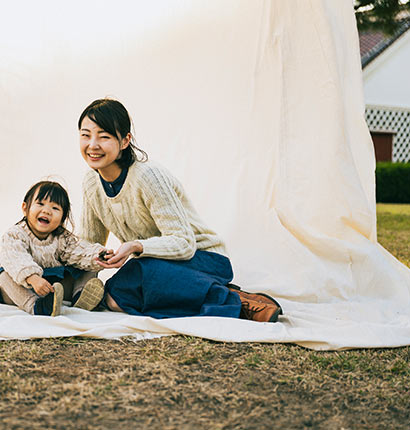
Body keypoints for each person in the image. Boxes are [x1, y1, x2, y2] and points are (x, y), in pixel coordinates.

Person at [77, 98, 283, 322]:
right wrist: (75, 287)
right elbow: (88, 245)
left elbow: (184, 244)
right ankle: (208, 293)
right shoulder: (91, 184)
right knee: (115, 297)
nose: (93, 145)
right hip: (156, 267)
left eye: (104, 136)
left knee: (138, 271)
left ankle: (236, 301)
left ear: (125, 141)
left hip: (203, 259)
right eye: (85, 135)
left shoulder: (148, 176)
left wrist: (136, 246)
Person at [0, 180, 112, 316]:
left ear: (62, 219)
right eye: (40, 204)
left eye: (55, 208)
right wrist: (32, 278)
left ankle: (80, 296)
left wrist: (99, 255)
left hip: (51, 288)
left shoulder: (63, 238)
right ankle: (36, 306)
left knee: (89, 265)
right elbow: (15, 258)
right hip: (21, 288)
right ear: (25, 208)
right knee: (3, 276)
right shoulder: (15, 234)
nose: (46, 211)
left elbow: (79, 252)